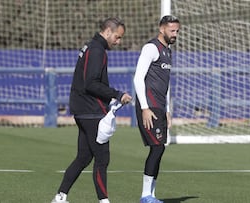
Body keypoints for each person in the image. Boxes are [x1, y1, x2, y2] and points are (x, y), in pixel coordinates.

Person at [51, 17, 132, 203]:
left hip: (83, 110)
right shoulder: (97, 50)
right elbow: (91, 83)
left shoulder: (90, 46)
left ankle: (60, 196)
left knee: (84, 157)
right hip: (91, 111)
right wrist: (117, 94)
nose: (118, 42)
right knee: (102, 159)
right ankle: (103, 200)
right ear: (108, 31)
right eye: (117, 37)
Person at [133, 15, 180, 203]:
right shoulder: (151, 48)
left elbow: (165, 85)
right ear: (161, 29)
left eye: (177, 31)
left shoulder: (168, 51)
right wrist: (144, 108)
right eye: (172, 30)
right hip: (149, 106)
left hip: (160, 107)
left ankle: (151, 195)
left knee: (159, 148)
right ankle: (145, 195)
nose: (175, 34)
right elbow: (138, 78)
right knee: (157, 147)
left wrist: (167, 109)